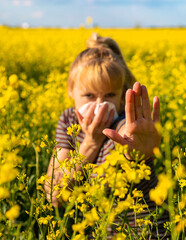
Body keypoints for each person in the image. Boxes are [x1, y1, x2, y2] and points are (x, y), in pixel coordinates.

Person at [44, 33, 168, 238]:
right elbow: (53, 194)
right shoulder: (67, 120)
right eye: (89, 96)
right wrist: (91, 142)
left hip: (143, 232)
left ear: (121, 94)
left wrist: (137, 153)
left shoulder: (125, 123)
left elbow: (125, 135)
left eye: (110, 95)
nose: (100, 105)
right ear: (71, 92)